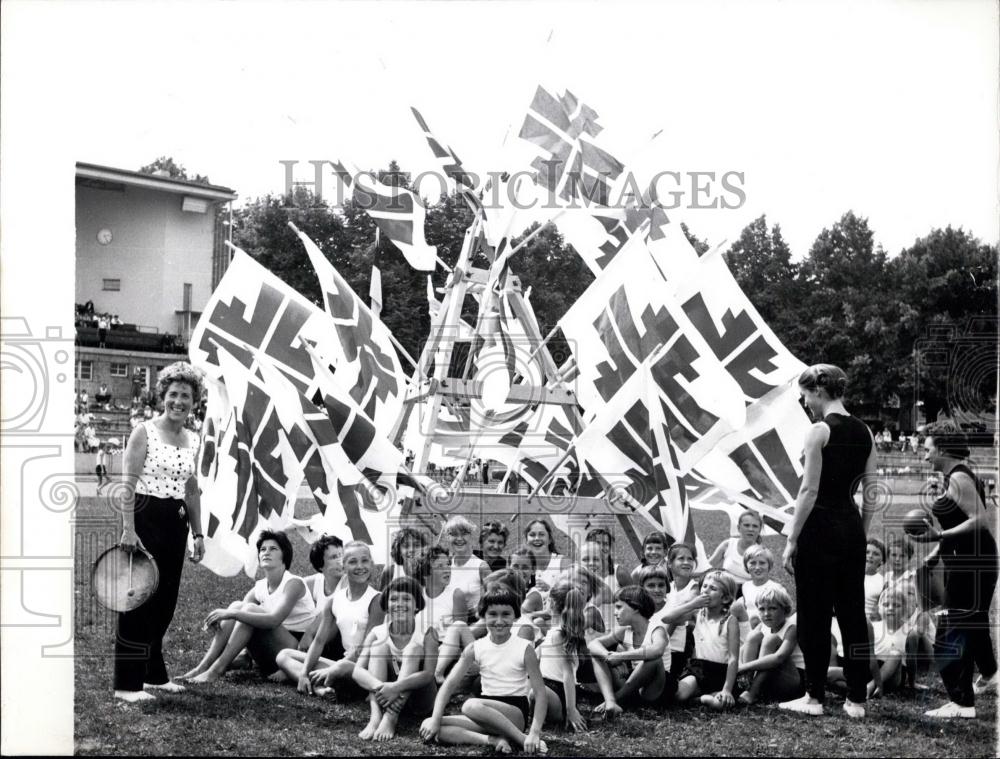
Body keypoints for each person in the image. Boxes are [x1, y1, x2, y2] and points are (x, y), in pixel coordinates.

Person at [779, 364, 877, 719]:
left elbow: (809, 490)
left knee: (814, 614)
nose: (805, 403)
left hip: (819, 527)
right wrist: (862, 532)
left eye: (805, 396)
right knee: (852, 613)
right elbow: (872, 491)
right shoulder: (865, 431)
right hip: (851, 527)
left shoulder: (818, 431)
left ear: (818, 391)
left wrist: (792, 538)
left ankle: (814, 697)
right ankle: (856, 699)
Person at [114, 361, 205, 702]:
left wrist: (198, 534)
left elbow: (192, 490)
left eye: (186, 395)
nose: (178, 401)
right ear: (162, 396)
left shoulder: (193, 438)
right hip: (143, 516)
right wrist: (128, 529)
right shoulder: (144, 431)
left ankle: (153, 674)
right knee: (138, 599)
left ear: (194, 402)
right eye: (173, 394)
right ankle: (127, 684)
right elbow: (127, 484)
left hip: (176, 520)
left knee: (165, 601)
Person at [909, 420, 999, 718]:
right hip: (973, 559)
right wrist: (936, 553)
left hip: (972, 562)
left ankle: (961, 703)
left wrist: (939, 537)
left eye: (928, 449)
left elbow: (979, 520)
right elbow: (958, 522)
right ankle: (990, 675)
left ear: (943, 449)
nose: (925, 456)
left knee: (950, 629)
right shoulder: (957, 475)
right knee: (972, 623)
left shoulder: (959, 477)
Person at [419, 587, 548, 754]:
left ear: (515, 616)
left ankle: (520, 738)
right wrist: (436, 719)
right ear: (483, 615)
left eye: (506, 614)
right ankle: (493, 740)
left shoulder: (524, 648)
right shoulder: (476, 647)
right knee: (430, 725)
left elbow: (540, 693)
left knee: (470, 705)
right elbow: (449, 685)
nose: (499, 620)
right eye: (493, 614)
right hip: (483, 714)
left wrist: (534, 733)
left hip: (514, 713)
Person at [182, 531, 316, 683]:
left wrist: (230, 614)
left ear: (284, 555)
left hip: (295, 654)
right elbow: (238, 617)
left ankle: (216, 670)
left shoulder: (293, 583)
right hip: (272, 650)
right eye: (263, 549)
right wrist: (227, 616)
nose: (266, 552)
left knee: (245, 610)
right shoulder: (260, 587)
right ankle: (203, 667)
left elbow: (273, 620)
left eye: (273, 549)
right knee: (237, 605)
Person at [274, 541, 384, 699]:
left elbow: (367, 648)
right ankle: (318, 688)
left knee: (343, 666)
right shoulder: (335, 600)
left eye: (365, 560)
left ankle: (326, 685)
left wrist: (334, 669)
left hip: (365, 669)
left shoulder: (376, 600)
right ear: (343, 566)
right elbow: (319, 641)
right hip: (343, 665)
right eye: (352, 561)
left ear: (372, 564)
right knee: (283, 656)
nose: (360, 566)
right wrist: (304, 672)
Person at [353, 577, 439, 742]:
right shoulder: (377, 632)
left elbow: (428, 675)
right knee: (378, 647)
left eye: (406, 599)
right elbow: (357, 671)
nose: (399, 604)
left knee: (413, 648)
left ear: (417, 605)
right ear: (386, 605)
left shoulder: (428, 632)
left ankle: (391, 717)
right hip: (385, 697)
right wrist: (383, 687)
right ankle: (376, 717)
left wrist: (396, 687)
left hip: (419, 701)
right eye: (393, 599)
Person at [589, 586, 671, 717]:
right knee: (597, 655)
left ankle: (616, 698)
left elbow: (657, 650)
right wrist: (608, 656)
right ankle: (610, 702)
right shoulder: (625, 630)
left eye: (619, 607)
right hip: (633, 684)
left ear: (636, 608)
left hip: (655, 688)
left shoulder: (657, 629)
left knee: (653, 659)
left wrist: (622, 657)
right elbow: (593, 644)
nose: (615, 612)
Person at [674, 571, 740, 711]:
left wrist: (727, 689)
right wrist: (692, 604)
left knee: (720, 704)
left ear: (726, 598)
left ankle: (702, 698)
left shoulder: (730, 621)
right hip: (698, 669)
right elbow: (667, 618)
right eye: (704, 586)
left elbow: (733, 658)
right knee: (678, 695)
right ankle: (700, 696)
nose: (706, 591)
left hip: (720, 672)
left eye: (713, 588)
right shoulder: (697, 614)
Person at [737, 586, 806, 704]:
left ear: (785, 610)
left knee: (771, 640)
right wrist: (738, 665)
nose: (766, 614)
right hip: (769, 680)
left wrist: (744, 667)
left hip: (792, 680)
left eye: (772, 608)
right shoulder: (762, 626)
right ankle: (747, 685)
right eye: (761, 609)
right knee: (753, 636)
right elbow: (743, 649)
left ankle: (752, 693)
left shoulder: (791, 628)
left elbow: (779, 658)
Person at [536, 579, 588, 732]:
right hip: (547, 685)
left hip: (558, 692)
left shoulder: (559, 634)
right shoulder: (556, 632)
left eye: (545, 600)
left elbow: (568, 673)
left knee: (534, 691)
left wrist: (571, 710)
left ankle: (559, 714)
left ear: (551, 603)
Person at [440, 516, 490, 619]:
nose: (459, 539)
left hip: (473, 625)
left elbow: (494, 601)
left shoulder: (481, 567)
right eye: (453, 534)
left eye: (464, 534)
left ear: (471, 536)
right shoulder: (447, 566)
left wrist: (475, 612)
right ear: (447, 538)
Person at [707, 509, 763, 584]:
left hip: (747, 592)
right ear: (738, 528)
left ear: (759, 530)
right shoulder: (728, 544)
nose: (750, 529)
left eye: (755, 526)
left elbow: (761, 582)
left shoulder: (762, 553)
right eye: (746, 525)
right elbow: (707, 566)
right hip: (724, 588)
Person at [524, 519, 567, 591]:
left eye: (541, 534)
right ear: (527, 541)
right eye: (532, 535)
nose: (537, 538)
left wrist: (550, 590)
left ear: (550, 539)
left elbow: (571, 594)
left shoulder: (563, 562)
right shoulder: (522, 565)